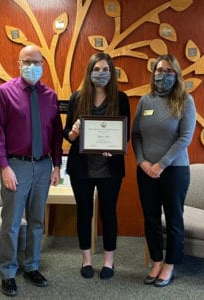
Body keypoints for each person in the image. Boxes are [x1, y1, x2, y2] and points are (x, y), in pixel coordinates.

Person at [0, 45, 63, 297]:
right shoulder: (4, 93)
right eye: (27, 61)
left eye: (36, 61)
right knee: (11, 223)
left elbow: (56, 135)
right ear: (18, 64)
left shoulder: (50, 96)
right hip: (16, 166)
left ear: (43, 64)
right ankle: (8, 272)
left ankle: (31, 266)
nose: (32, 66)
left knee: (36, 222)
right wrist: (4, 167)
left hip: (43, 166)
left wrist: (57, 165)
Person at [63, 52, 130, 280]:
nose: (101, 74)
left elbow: (125, 134)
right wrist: (73, 132)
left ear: (111, 73)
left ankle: (109, 262)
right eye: (97, 69)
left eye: (105, 70)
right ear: (89, 71)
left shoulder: (120, 99)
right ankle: (87, 260)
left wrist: (116, 146)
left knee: (109, 213)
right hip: (82, 168)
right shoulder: (76, 98)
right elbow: (68, 135)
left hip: (110, 169)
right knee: (84, 213)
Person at [131, 54, 196, 287]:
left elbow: (185, 138)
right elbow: (135, 134)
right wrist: (142, 162)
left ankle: (170, 265)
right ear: (153, 73)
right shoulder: (145, 101)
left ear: (176, 75)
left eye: (169, 71)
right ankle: (156, 261)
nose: (163, 75)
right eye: (159, 70)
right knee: (150, 219)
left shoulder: (185, 101)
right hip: (146, 171)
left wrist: (161, 164)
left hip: (174, 171)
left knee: (173, 219)